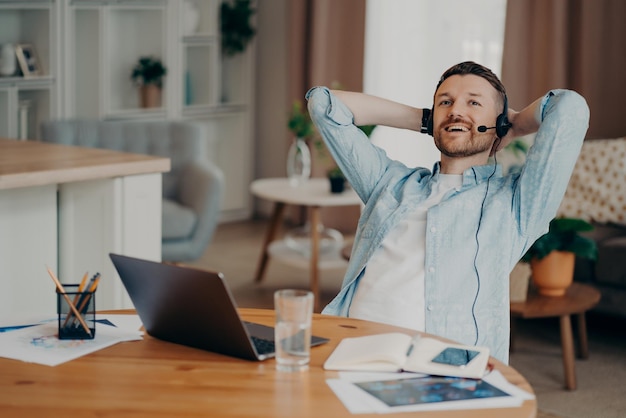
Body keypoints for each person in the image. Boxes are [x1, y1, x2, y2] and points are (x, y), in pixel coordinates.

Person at [305, 61, 589, 363]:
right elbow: (323, 104)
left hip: (441, 369)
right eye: (445, 101)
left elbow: (570, 108)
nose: (456, 110)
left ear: (499, 121)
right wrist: (427, 120)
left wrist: (515, 123)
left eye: (474, 102)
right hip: (349, 349)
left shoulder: (515, 205)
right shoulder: (390, 184)